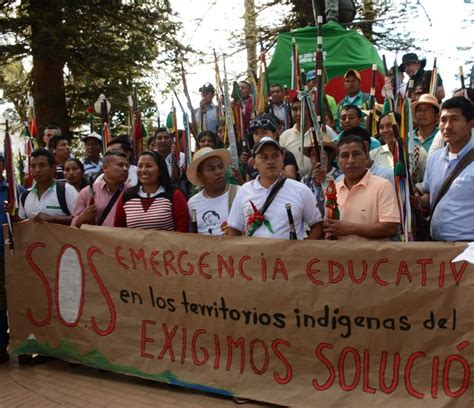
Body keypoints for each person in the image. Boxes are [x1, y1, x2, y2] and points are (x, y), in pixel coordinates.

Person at [227, 137, 323, 240]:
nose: (270, 161)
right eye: (264, 157)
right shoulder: (244, 191)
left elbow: (317, 225)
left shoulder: (301, 190)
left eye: (275, 156)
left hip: (290, 255)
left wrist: (302, 252)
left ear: (282, 160)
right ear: (254, 163)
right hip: (256, 255)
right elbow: (234, 230)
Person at [417, 97, 474, 241]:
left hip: (467, 249)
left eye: (454, 119)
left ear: (470, 124)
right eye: (443, 120)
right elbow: (430, 194)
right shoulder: (435, 157)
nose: (447, 126)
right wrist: (417, 200)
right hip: (436, 247)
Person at [324, 135, 400, 240]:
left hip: (373, 256)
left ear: (367, 157)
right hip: (339, 255)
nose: (351, 160)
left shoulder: (383, 186)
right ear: (338, 161)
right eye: (345, 156)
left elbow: (390, 228)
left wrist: (351, 228)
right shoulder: (333, 189)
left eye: (356, 154)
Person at [114, 151, 189, 231]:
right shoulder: (127, 196)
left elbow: (182, 229)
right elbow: (119, 230)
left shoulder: (174, 194)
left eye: (148, 166)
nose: (143, 170)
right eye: (140, 166)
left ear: (160, 170)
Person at [0, 155, 25, 364]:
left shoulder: (15, 191)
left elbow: (25, 221)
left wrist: (14, 214)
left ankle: (20, 342)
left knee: (15, 299)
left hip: (10, 253)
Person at [14, 149, 77, 225]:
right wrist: (13, 215)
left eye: (42, 165)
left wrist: (53, 218)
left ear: (53, 168)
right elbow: (23, 225)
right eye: (33, 166)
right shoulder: (25, 196)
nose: (37, 170)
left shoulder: (66, 190)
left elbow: (78, 218)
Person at [187, 147, 239, 236]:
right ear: (200, 175)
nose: (218, 172)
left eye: (220, 167)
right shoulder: (193, 204)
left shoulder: (240, 193)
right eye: (211, 169)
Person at [72, 150, 129, 228]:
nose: (125, 169)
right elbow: (74, 225)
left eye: (127, 166)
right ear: (105, 168)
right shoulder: (86, 192)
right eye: (120, 165)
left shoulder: (132, 192)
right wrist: (83, 217)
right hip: (96, 239)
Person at [370, 112, 427, 184]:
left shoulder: (417, 152)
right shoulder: (373, 155)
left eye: (389, 126)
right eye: (381, 127)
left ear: (401, 127)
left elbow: (428, 180)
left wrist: (418, 190)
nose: (385, 130)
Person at [246, 113, 298, 180]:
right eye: (256, 133)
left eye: (264, 132)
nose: (259, 136)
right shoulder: (252, 160)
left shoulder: (286, 154)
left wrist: (275, 167)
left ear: (275, 134)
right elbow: (249, 186)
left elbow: (292, 180)